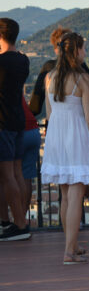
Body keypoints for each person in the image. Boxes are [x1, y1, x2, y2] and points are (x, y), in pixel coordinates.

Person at [39, 32, 89, 263]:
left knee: (65, 195)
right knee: (76, 194)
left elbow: (49, 114)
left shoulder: (49, 77)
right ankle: (69, 251)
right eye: (83, 49)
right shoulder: (83, 79)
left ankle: (73, 245)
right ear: (76, 51)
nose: (85, 53)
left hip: (57, 137)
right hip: (77, 136)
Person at [0, 18, 31, 241]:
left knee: (7, 175)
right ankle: (20, 222)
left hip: (2, 123)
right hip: (18, 121)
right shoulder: (23, 60)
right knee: (18, 173)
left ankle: (19, 225)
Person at [27, 26, 71, 117]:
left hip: (54, 123)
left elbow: (35, 105)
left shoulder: (49, 68)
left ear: (56, 49)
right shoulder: (81, 68)